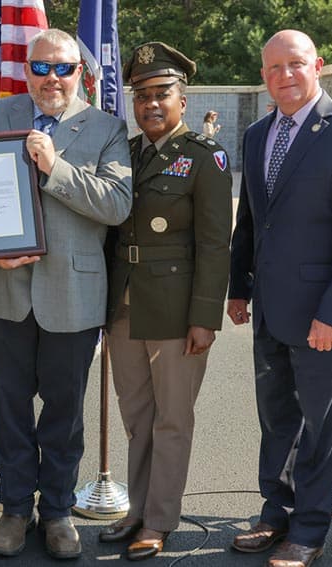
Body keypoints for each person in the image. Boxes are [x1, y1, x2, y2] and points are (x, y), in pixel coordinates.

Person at [228, 29, 332, 567]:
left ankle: (309, 530)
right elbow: (250, 220)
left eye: (294, 65)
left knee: (321, 426)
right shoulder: (256, 134)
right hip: (269, 309)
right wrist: (238, 288)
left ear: (316, 65)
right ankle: (275, 512)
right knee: (276, 418)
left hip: (324, 316)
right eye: (273, 69)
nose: (284, 77)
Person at [0, 28, 132, 560]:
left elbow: (115, 206)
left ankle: (59, 511)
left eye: (62, 68)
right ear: (26, 72)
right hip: (6, 290)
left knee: (64, 412)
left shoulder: (108, 127)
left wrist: (53, 168)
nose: (51, 78)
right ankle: (16, 509)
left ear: (81, 73)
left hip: (75, 293)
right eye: (40, 68)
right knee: (10, 408)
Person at [99, 42, 232, 561]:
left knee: (172, 418)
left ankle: (159, 519)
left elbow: (215, 243)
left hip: (177, 310)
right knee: (136, 416)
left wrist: (205, 318)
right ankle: (136, 509)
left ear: (183, 98)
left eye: (161, 94)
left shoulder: (204, 157)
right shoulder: (127, 154)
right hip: (126, 304)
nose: (151, 105)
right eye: (142, 96)